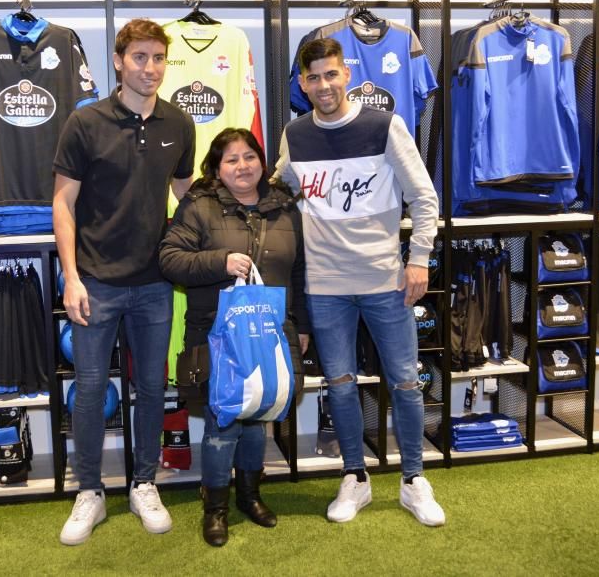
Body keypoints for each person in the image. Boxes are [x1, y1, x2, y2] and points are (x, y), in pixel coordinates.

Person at [274, 37, 445, 527]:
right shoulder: (296, 135)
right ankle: (356, 478)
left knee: (406, 383)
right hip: (325, 286)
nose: (324, 85)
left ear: (346, 74)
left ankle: (413, 480)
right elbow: (280, 189)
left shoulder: (384, 126)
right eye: (313, 78)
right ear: (302, 84)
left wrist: (419, 260)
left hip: (386, 280)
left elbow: (424, 198)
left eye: (331, 74)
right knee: (341, 385)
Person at [52, 18, 196, 546]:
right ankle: (89, 490)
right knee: (90, 389)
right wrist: (71, 277)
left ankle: (143, 483)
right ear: (118, 61)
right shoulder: (85, 122)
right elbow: (62, 202)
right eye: (140, 57)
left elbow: (186, 191)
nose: (150, 68)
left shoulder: (179, 123)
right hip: (95, 282)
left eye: (158, 58)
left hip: (156, 283)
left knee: (153, 387)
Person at [159, 128, 310, 547]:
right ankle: (215, 508)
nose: (242, 166)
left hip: (272, 333)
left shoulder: (284, 207)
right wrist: (220, 262)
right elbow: (170, 259)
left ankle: (249, 495)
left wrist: (303, 327)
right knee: (223, 423)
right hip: (215, 334)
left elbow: (299, 272)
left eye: (249, 157)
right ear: (216, 167)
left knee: (257, 419)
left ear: (261, 161)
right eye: (231, 160)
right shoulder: (198, 205)